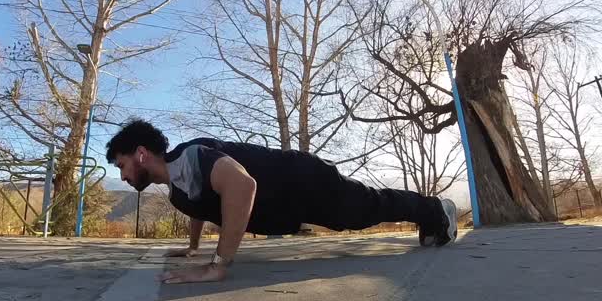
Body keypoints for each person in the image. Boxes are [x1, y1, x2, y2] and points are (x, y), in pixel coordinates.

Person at [106, 118, 457, 284]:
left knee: (367, 208)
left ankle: (437, 210)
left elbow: (241, 186)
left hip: (301, 179)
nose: (122, 176)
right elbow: (200, 202)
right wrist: (192, 247)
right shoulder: (177, 190)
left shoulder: (193, 155)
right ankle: (430, 213)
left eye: (121, 165)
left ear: (140, 154)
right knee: (359, 214)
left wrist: (217, 265)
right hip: (292, 202)